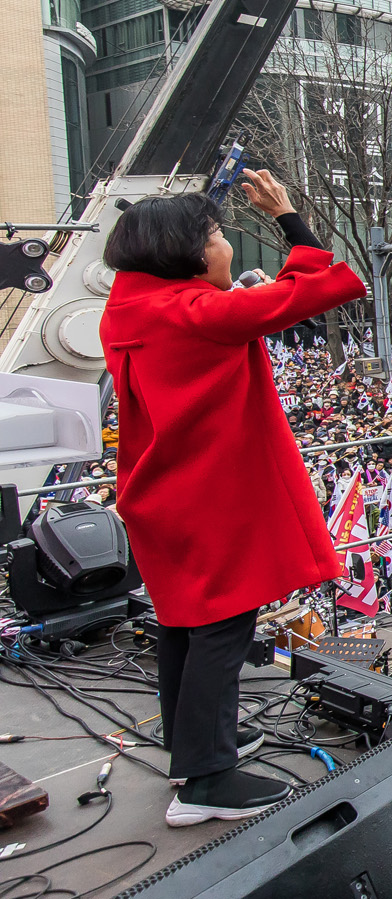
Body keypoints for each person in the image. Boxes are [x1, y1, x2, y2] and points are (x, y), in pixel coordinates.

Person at [99, 173, 366, 826]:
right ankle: (205, 783)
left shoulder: (128, 309)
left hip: (163, 495)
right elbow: (325, 285)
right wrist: (288, 217)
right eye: (217, 236)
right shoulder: (200, 315)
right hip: (209, 499)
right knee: (221, 630)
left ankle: (194, 746)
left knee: (185, 628)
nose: (225, 248)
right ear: (183, 252)